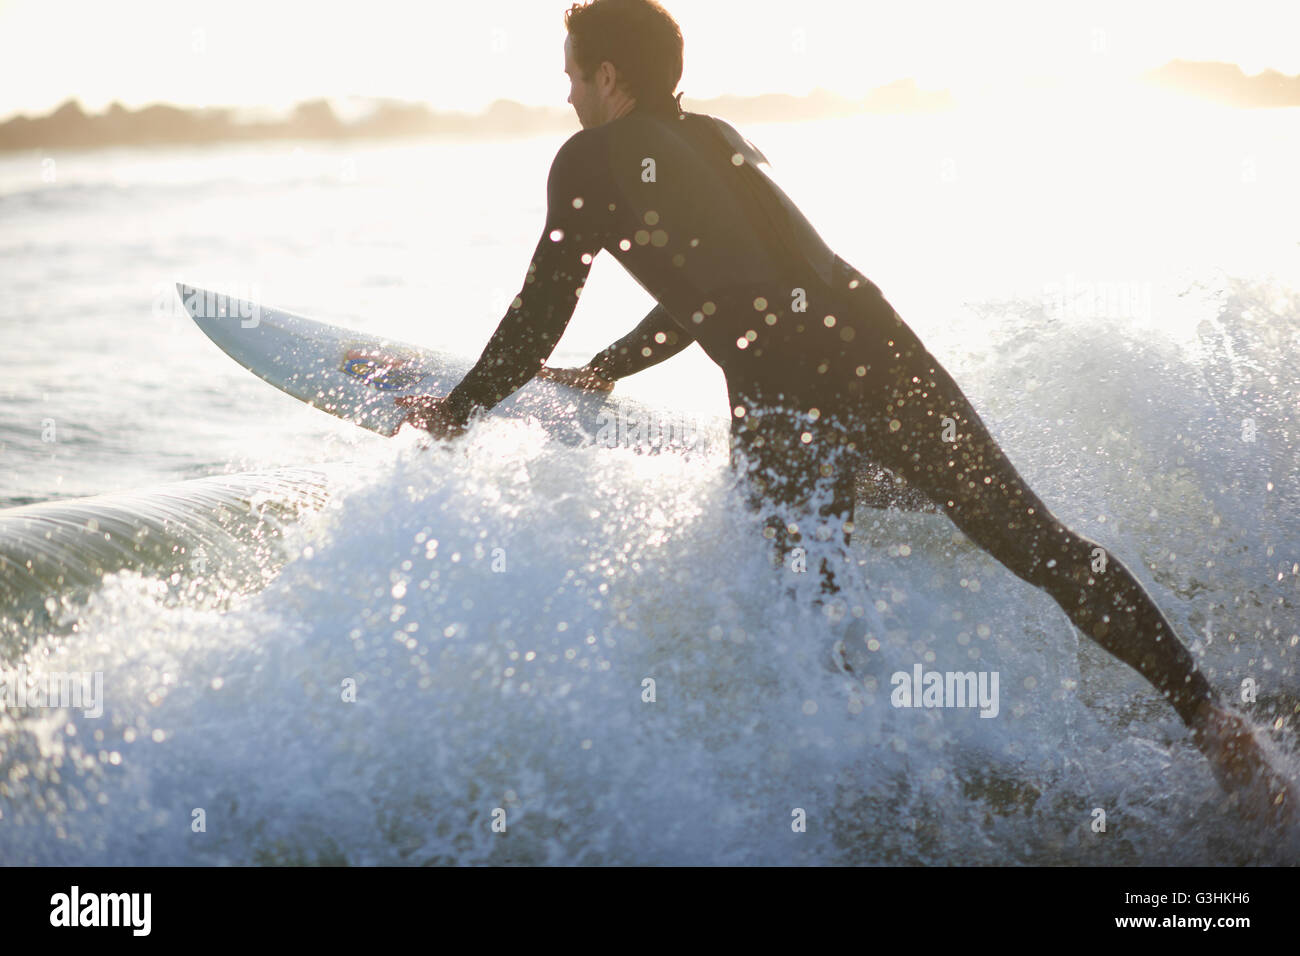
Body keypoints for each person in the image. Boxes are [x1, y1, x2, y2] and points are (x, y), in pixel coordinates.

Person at [396, 0, 1289, 820]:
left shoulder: (588, 160)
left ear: (610, 78)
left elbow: (538, 311)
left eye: (572, 73)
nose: (567, 91)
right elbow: (730, 278)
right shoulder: (715, 138)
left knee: (804, 608)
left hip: (785, 386)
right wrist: (610, 368)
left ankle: (872, 795)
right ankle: (1220, 728)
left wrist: (460, 411)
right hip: (875, 340)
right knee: (1037, 540)